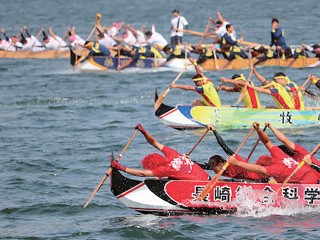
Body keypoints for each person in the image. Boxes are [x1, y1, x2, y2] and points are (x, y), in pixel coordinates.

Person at [227, 122, 319, 184]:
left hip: (312, 180)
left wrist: (237, 163)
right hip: (303, 175)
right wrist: (259, 130)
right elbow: (267, 142)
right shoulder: (280, 155)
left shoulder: (279, 167)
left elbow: (258, 168)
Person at [111, 124, 210, 180]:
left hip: (201, 185)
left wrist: (121, 168)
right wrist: (143, 131)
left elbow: (142, 174)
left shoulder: (165, 169)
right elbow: (153, 142)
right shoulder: (172, 153)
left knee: (161, 178)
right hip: (207, 177)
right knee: (165, 177)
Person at [205, 125, 269, 182]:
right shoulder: (223, 169)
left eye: (214, 170)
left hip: (260, 179)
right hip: (246, 181)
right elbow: (204, 166)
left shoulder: (235, 161)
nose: (215, 172)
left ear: (221, 165)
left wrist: (214, 130)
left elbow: (223, 146)